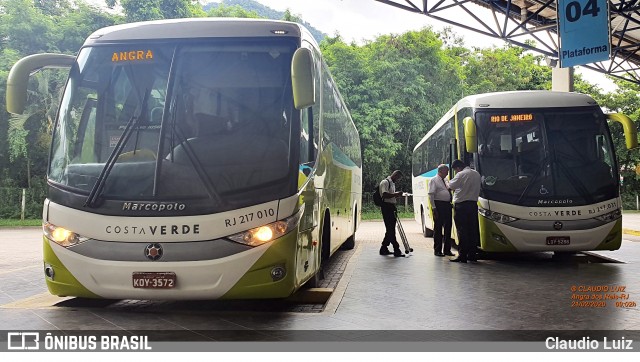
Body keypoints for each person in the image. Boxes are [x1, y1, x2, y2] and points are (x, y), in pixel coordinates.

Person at [448, 159, 481, 263]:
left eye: (455, 170)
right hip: (473, 205)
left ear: (458, 168)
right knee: (472, 230)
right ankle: (472, 255)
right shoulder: (476, 174)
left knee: (462, 231)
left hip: (461, 206)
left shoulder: (461, 174)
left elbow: (451, 186)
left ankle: (462, 255)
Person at [428, 164, 454, 257]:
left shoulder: (446, 180)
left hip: (447, 205)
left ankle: (447, 249)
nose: (447, 173)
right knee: (438, 228)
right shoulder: (434, 180)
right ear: (441, 171)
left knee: (448, 227)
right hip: (438, 205)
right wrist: (434, 208)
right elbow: (431, 195)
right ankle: (437, 250)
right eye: (446, 171)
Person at [379, 170, 405, 257]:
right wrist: (396, 194)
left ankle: (384, 248)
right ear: (395, 175)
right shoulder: (385, 182)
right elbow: (384, 195)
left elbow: (391, 195)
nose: (398, 180)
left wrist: (396, 195)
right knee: (391, 229)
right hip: (386, 207)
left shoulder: (392, 183)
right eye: (398, 178)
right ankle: (396, 249)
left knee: (390, 229)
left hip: (392, 206)